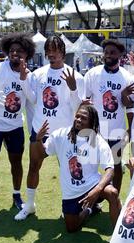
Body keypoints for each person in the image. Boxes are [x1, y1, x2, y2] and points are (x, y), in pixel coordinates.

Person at [15, 35, 83, 221]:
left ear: (62, 52)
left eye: (55, 51)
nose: (51, 54)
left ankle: (69, 206)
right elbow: (33, 99)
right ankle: (29, 205)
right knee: (34, 166)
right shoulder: (38, 74)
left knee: (69, 170)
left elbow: (78, 108)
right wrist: (22, 79)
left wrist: (73, 89)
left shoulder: (75, 75)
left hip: (65, 133)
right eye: (48, 51)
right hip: (40, 130)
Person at [0, 33, 36, 226]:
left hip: (15, 125)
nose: (15, 54)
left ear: (27, 54)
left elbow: (31, 101)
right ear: (7, 52)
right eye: (12, 51)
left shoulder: (30, 75)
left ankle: (17, 196)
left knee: (16, 163)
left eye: (19, 51)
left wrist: (25, 80)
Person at [33, 104, 122, 233]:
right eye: (77, 116)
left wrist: (97, 190)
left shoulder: (98, 141)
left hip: (92, 185)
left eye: (83, 118)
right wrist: (38, 140)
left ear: (91, 123)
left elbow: (110, 170)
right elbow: (41, 154)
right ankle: (89, 208)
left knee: (112, 193)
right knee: (71, 228)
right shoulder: (61, 134)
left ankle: (118, 237)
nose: (78, 119)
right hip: (71, 192)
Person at [84, 39, 133, 193]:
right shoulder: (93, 73)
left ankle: (115, 196)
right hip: (95, 129)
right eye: (106, 52)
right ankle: (93, 197)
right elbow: (84, 101)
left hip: (116, 130)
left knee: (116, 164)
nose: (108, 55)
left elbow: (129, 106)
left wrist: (130, 128)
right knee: (90, 164)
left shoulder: (126, 76)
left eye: (112, 52)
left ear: (120, 55)